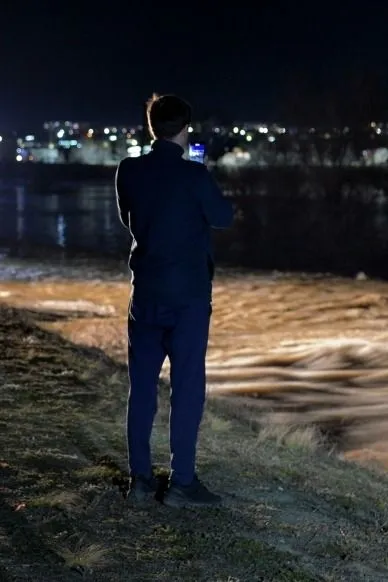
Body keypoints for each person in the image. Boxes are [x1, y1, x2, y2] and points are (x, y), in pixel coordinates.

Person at [115, 94, 234, 507]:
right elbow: (224, 217)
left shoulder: (128, 171)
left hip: (145, 294)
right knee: (186, 389)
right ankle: (182, 483)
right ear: (185, 128)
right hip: (187, 299)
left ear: (152, 128)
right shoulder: (194, 176)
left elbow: (128, 217)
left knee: (142, 390)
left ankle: (140, 480)